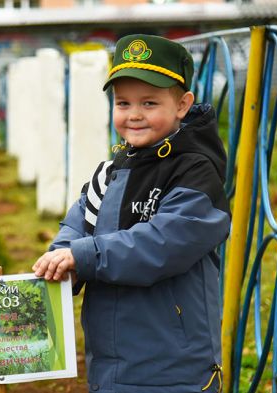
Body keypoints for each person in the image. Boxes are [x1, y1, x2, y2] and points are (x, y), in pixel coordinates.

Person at [32, 34, 230, 393]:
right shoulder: (109, 171)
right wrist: (59, 261)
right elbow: (76, 227)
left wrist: (81, 256)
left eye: (150, 102)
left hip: (175, 369)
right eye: (123, 103)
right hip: (109, 364)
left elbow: (163, 244)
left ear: (183, 105)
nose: (134, 114)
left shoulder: (196, 171)